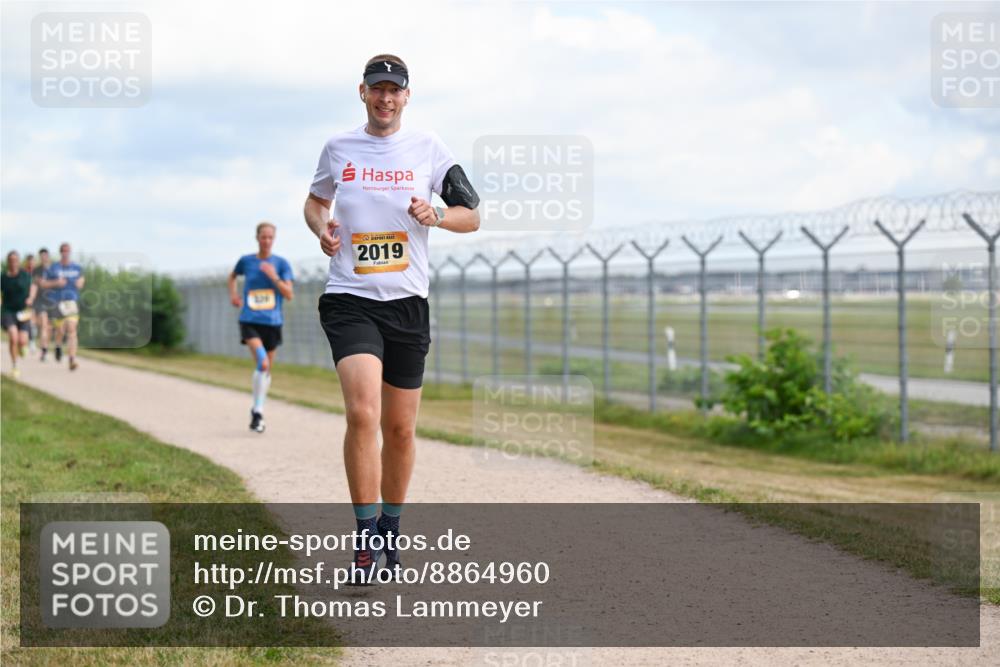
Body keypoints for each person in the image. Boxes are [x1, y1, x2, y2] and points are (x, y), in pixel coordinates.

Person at [303, 54, 480, 583]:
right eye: (376, 89)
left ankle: (390, 534)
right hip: (350, 298)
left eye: (394, 90)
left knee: (400, 429)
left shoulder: (430, 149)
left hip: (407, 304)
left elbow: (473, 214)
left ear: (407, 96)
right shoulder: (338, 148)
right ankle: (363, 542)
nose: (385, 98)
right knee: (363, 413)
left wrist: (440, 215)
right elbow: (314, 203)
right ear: (362, 93)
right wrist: (321, 228)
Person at [228, 222, 294, 433]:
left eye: (270, 237)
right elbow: (232, 276)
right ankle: (257, 411)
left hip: (273, 323)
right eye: (263, 237)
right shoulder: (246, 261)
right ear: (257, 238)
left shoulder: (281, 264)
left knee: (266, 370)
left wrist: (273, 276)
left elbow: (289, 294)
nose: (266, 241)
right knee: (263, 363)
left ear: (274, 239)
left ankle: (258, 410)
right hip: (250, 320)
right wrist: (234, 295)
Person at [40, 242, 84, 371]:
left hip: (71, 302)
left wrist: (80, 282)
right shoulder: (53, 268)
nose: (65, 253)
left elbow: (81, 281)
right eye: (63, 251)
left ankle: (72, 360)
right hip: (56, 303)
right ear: (60, 252)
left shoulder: (76, 268)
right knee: (59, 330)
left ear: (70, 252)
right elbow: (43, 284)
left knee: (71, 329)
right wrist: (56, 282)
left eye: (68, 251)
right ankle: (58, 345)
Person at [1, 251, 37, 378]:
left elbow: (33, 287)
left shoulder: (25, 276)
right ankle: (15, 366)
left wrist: (31, 298)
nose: (13, 262)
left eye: (15, 259)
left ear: (18, 261)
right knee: (13, 337)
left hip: (23, 311)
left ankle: (23, 347)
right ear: (8, 261)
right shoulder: (3, 277)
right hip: (8, 311)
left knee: (22, 341)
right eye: (11, 260)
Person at [32, 248, 53, 360]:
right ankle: (43, 351)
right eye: (41, 256)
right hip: (40, 300)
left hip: (53, 301)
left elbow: (58, 284)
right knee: (44, 325)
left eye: (45, 256)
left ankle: (45, 348)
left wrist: (47, 283)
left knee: (49, 328)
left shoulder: (54, 268)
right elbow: (36, 284)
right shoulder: (37, 270)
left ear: (48, 256)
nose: (43, 258)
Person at [22, 253, 37, 353]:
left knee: (33, 323)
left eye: (32, 262)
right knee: (27, 322)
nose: (31, 264)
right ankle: (28, 342)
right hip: (25, 300)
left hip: (37, 300)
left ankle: (31, 341)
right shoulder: (23, 273)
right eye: (29, 262)